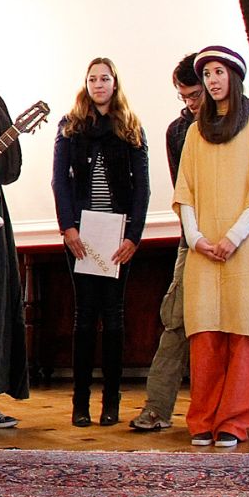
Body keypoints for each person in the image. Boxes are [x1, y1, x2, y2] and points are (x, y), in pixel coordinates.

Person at [175, 45, 249, 449]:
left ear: (233, 77)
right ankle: (202, 418)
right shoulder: (196, 133)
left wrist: (233, 237)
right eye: (208, 74)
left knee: (244, 331)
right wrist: (197, 237)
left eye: (219, 72)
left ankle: (234, 421)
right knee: (207, 335)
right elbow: (185, 190)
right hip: (204, 253)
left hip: (244, 250)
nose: (213, 80)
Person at [52, 57, 150, 427]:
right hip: (80, 233)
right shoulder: (70, 126)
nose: (98, 84)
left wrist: (134, 236)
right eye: (92, 78)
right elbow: (60, 181)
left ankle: (112, 401)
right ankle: (80, 404)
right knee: (83, 318)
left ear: (114, 83)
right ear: (86, 83)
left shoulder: (130, 126)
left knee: (113, 318)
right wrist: (68, 227)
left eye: (104, 78)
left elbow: (142, 186)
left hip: (117, 234)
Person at [131, 53, 204, 432]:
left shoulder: (248, 121)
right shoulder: (178, 131)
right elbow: (182, 191)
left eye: (195, 95)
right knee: (174, 321)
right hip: (192, 238)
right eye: (184, 97)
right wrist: (195, 235)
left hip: (240, 238)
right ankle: (157, 408)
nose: (190, 104)